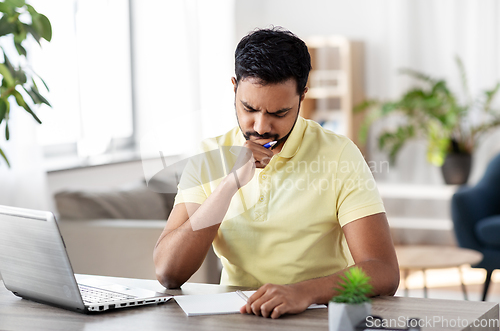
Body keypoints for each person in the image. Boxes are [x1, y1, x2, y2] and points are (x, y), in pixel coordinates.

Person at [153, 27, 399, 319]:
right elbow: (168, 273)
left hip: (315, 314)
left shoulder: (339, 155)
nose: (259, 126)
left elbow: (382, 270)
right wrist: (229, 185)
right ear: (234, 88)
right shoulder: (209, 157)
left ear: (302, 96)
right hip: (235, 317)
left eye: (278, 113)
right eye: (249, 108)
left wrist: (305, 292)